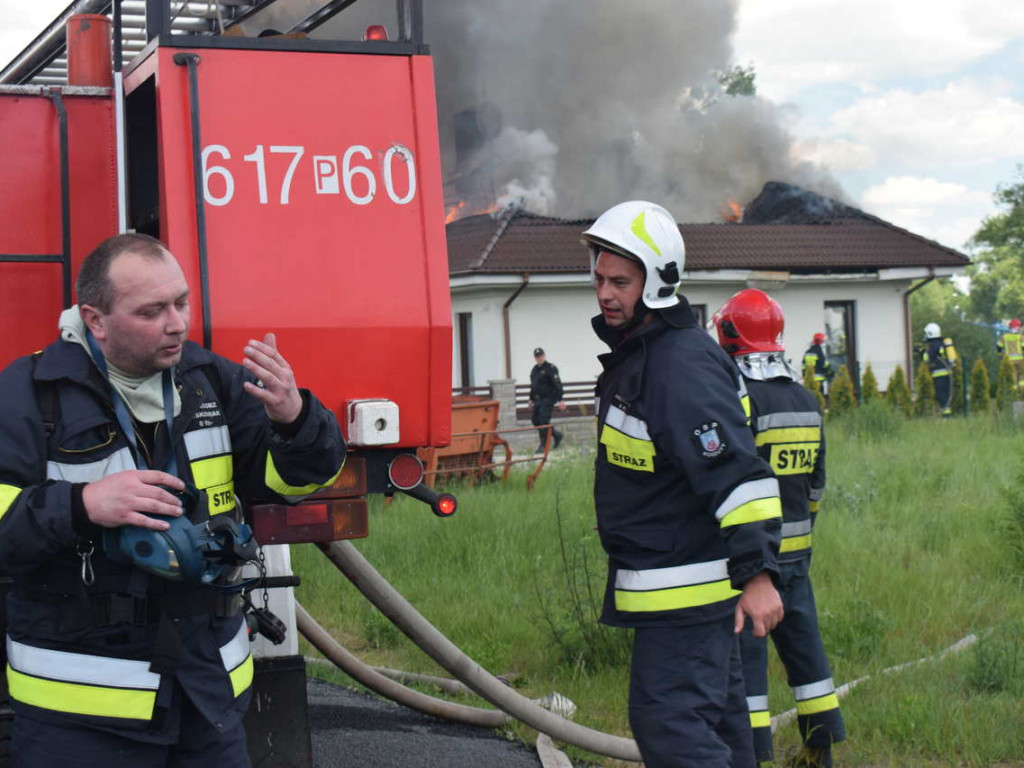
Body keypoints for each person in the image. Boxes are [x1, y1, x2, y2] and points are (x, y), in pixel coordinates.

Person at [0, 233, 345, 767]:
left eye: (181, 302)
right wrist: (81, 505)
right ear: (95, 320)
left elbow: (289, 482)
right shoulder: (28, 393)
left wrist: (296, 421)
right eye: (152, 310)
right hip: (80, 716)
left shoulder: (213, 382)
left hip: (206, 700)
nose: (177, 322)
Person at [582, 201, 784, 768]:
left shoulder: (678, 365)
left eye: (620, 281)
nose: (604, 293)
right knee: (717, 728)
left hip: (689, 598)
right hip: (682, 591)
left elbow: (738, 475)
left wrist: (760, 574)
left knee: (669, 726)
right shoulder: (645, 356)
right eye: (599, 278)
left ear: (658, 281)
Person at [712, 289, 846, 768]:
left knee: (748, 664)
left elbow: (734, 475)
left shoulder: (741, 398)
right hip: (798, 553)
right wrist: (802, 528)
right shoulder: (807, 399)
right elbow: (816, 483)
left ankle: (752, 756)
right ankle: (820, 747)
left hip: (755, 559)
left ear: (730, 334)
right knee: (806, 650)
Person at [528, 347, 567, 453]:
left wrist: (561, 400)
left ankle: (543, 445)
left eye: (540, 355)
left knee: (543, 421)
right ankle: (557, 435)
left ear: (544, 356)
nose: (539, 358)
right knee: (535, 420)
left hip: (548, 399)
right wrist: (530, 399)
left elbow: (557, 384)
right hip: (537, 400)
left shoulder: (550, 368)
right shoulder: (535, 369)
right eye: (537, 356)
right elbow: (533, 386)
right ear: (535, 358)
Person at [922, 322, 957, 416]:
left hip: (939, 375)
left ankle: (945, 415)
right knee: (946, 394)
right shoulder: (941, 343)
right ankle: (947, 414)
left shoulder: (933, 345)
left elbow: (927, 358)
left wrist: (922, 352)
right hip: (947, 374)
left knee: (941, 395)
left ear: (930, 333)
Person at [802, 333, 833, 397]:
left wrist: (805, 376)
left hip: (809, 379)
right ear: (821, 342)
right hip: (819, 379)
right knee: (820, 397)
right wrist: (830, 368)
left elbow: (803, 365)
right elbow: (823, 364)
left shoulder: (808, 352)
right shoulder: (819, 351)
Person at [997, 318, 1023, 390]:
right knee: (1022, 376)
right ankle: (1022, 391)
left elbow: (999, 347)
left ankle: (1013, 391)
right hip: (1020, 360)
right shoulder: (1020, 337)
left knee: (1012, 375)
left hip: (1009, 360)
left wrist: (1000, 356)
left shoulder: (1004, 336)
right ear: (1018, 327)